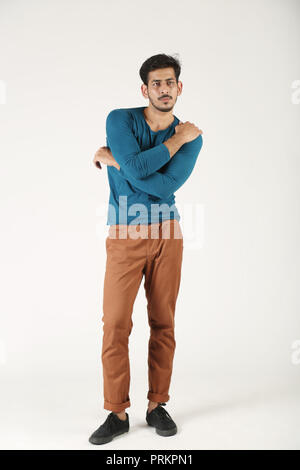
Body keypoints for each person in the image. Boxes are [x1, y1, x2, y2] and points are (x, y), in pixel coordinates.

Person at [89, 53, 203, 445]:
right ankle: (116, 412)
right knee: (116, 324)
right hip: (124, 234)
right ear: (145, 89)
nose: (164, 88)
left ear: (179, 87)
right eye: (156, 83)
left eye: (170, 82)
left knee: (163, 323)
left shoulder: (195, 135)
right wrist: (159, 150)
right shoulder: (121, 119)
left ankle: (157, 405)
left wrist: (118, 162)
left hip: (168, 236)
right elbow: (141, 174)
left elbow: (162, 187)